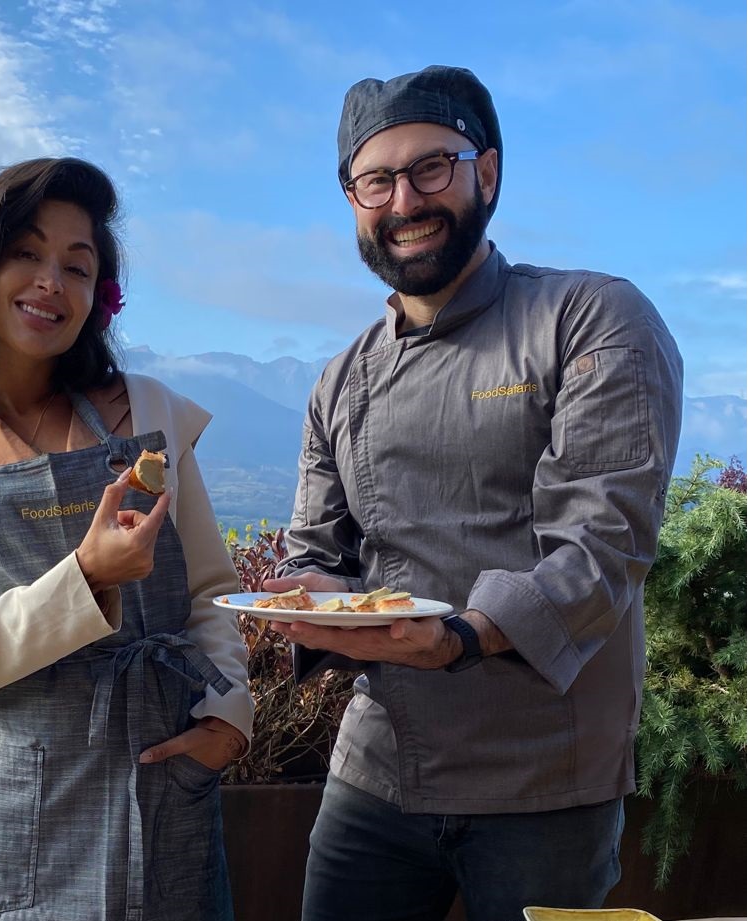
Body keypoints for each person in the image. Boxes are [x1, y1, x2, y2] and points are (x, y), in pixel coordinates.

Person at [261, 65, 684, 921]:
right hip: (379, 767)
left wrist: (457, 636)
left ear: (485, 173)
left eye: (432, 167)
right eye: (374, 181)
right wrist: (304, 599)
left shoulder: (589, 316)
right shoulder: (339, 379)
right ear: (352, 199)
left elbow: (602, 541)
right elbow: (318, 551)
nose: (403, 200)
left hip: (547, 779)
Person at [0, 157, 253, 921]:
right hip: (14, 802)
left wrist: (229, 718)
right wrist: (85, 578)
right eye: (26, 254)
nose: (51, 282)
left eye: (77, 264)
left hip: (160, 775)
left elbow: (208, 589)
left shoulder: (149, 411)